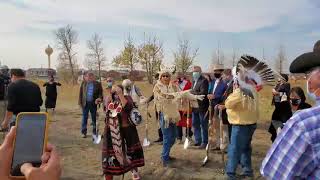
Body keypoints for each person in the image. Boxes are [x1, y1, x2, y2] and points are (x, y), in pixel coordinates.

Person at [261, 40, 320, 179]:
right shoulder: (280, 87)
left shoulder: (303, 122)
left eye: (308, 74)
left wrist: (278, 95)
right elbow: (279, 106)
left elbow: (276, 174)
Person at [101, 85, 144, 180]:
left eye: (117, 90)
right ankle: (108, 175)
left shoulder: (127, 97)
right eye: (113, 90)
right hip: (112, 130)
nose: (114, 91)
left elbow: (128, 107)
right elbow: (107, 110)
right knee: (110, 155)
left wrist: (120, 94)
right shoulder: (108, 98)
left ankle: (134, 171)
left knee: (130, 152)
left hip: (127, 129)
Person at [207, 64, 228, 150]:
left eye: (218, 71)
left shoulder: (225, 83)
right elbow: (209, 91)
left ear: (221, 72)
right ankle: (217, 145)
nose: (216, 73)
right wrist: (208, 95)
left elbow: (225, 96)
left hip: (221, 108)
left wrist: (215, 96)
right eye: (215, 71)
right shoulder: (212, 82)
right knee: (215, 127)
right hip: (212, 108)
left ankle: (225, 146)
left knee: (223, 128)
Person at [78, 71, 103, 138]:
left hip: (93, 104)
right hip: (85, 103)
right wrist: (80, 103)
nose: (89, 78)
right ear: (86, 77)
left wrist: (99, 99)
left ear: (93, 77)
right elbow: (80, 93)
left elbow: (101, 94)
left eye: (91, 77)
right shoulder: (83, 83)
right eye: (88, 77)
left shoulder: (98, 84)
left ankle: (94, 132)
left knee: (94, 118)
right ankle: (84, 132)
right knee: (84, 118)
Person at [268, 74, 292, 142]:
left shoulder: (287, 84)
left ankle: (282, 127)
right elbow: (275, 91)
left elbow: (287, 93)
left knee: (282, 115)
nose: (279, 79)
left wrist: (277, 93)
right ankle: (278, 127)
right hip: (277, 101)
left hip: (283, 102)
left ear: (284, 79)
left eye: (280, 78)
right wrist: (274, 91)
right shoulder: (278, 84)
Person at [191, 66, 209, 148]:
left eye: (196, 71)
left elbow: (203, 93)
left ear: (200, 72)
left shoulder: (204, 81)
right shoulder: (193, 81)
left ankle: (205, 142)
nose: (195, 73)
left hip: (202, 107)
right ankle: (198, 140)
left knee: (203, 125)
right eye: (194, 71)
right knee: (195, 124)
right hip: (194, 107)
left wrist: (192, 93)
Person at [176, 75, 193, 144]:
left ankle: (188, 136)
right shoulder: (174, 83)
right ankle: (179, 138)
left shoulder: (188, 83)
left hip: (187, 105)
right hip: (178, 105)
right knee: (178, 122)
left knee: (188, 121)